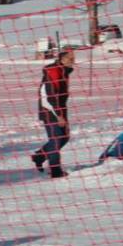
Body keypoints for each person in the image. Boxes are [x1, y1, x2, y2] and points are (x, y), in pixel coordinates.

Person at [31, 49, 75, 178]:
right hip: (49, 110)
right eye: (70, 58)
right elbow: (49, 97)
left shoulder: (64, 71)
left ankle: (39, 156)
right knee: (56, 140)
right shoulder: (53, 72)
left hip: (60, 109)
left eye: (73, 58)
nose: (73, 61)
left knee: (64, 137)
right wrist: (58, 115)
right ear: (61, 59)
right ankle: (55, 171)